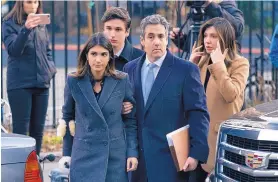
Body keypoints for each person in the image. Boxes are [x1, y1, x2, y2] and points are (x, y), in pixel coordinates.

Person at [123, 14, 209, 182]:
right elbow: (129, 114)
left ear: (167, 40)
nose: (156, 41)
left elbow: (199, 114)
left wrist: (195, 154)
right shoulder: (129, 69)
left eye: (161, 36)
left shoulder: (186, 70)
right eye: (151, 36)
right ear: (142, 40)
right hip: (138, 164)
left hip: (171, 163)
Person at [58, 33, 138, 182]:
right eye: (93, 53)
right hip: (83, 156)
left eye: (103, 54)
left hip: (114, 157)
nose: (98, 59)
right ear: (86, 56)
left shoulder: (121, 80)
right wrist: (66, 154)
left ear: (110, 57)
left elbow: (131, 122)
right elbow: (67, 117)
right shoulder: (74, 81)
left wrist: (132, 152)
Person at [189, 17, 249, 181]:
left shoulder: (239, 63)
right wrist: (190, 65)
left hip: (219, 142)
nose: (208, 40)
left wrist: (219, 65)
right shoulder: (200, 61)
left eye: (214, 36)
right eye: (206, 35)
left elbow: (231, 95)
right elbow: (186, 97)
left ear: (225, 38)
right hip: (196, 139)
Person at [2, 0, 56, 155]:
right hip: (20, 84)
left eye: (35, 2)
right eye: (28, 2)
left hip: (41, 83)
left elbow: (47, 50)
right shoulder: (9, 23)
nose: (33, 5)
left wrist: (50, 70)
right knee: (20, 132)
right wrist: (26, 29)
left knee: (37, 131)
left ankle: (35, 170)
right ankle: (20, 171)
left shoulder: (41, 23)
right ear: (21, 3)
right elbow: (14, 50)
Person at [170, 0, 244, 57]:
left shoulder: (227, 4)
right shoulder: (197, 10)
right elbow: (198, 47)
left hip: (225, 65)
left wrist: (210, 6)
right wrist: (181, 39)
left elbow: (237, 28)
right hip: (203, 67)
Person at [102, 7, 144, 71]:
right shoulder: (93, 56)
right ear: (103, 30)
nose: (112, 35)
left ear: (127, 32)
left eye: (118, 29)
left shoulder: (142, 58)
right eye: (109, 28)